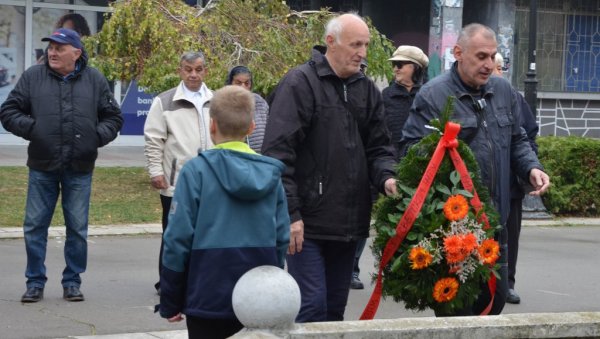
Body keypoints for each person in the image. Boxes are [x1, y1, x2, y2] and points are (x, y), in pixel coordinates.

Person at [400, 23, 550, 315]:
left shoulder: (504, 90)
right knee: (459, 312)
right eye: (481, 56)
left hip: (497, 224)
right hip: (456, 231)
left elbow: (518, 139)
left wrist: (532, 167)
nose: (489, 64)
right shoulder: (433, 95)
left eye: (492, 56)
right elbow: (409, 154)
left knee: (495, 304)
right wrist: (444, 144)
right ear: (458, 53)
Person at [261, 13, 398, 322]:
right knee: (311, 307)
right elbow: (277, 155)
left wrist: (388, 178)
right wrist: (290, 214)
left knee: (334, 312)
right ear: (330, 43)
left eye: (365, 44)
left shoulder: (367, 90)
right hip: (305, 225)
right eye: (355, 45)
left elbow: (379, 148)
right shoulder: (299, 83)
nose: (362, 52)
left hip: (349, 225)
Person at [0, 28, 123, 303]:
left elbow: (113, 117)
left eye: (59, 48)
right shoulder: (33, 76)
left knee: (77, 229)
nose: (52, 52)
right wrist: (35, 129)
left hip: (79, 167)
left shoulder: (94, 79)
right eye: (50, 47)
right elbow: (8, 111)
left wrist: (95, 137)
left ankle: (72, 282)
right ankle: (34, 282)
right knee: (34, 227)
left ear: (76, 53)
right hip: (42, 164)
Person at [158, 85, 290, 339]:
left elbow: (177, 238)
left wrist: (171, 299)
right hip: (259, 295)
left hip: (207, 291)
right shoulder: (271, 175)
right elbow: (281, 237)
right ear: (252, 127)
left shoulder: (195, 171)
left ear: (212, 125)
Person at [144, 51, 213, 295]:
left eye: (198, 69)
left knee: (205, 233)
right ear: (179, 70)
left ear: (206, 70)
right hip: (176, 181)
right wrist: (155, 170)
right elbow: (154, 139)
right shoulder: (164, 101)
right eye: (188, 69)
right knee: (174, 234)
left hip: (210, 182)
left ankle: (197, 279)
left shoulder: (216, 100)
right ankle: (168, 282)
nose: (193, 74)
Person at [493, 53, 539, 304]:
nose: (493, 70)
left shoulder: (516, 100)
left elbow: (527, 138)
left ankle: (507, 283)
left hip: (510, 184)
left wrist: (531, 168)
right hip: (483, 185)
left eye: (498, 67)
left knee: (510, 236)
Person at [382, 45, 429, 158]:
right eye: (394, 65)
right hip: (392, 163)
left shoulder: (428, 95)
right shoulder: (386, 95)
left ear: (415, 67)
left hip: (422, 163)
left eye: (399, 64)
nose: (395, 69)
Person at [225, 65, 269, 152]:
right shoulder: (223, 103)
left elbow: (270, 129)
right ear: (230, 83)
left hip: (260, 158)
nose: (243, 87)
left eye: (247, 83)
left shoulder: (260, 102)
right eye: (238, 83)